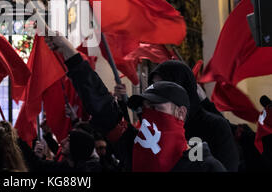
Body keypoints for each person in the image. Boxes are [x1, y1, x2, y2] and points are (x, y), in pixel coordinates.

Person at [44, 32, 226, 172]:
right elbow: (101, 105)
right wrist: (70, 52)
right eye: (146, 107)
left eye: (156, 106)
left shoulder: (204, 165)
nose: (149, 113)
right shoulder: (135, 147)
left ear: (180, 112)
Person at [148, 60, 240, 171]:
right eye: (154, 86)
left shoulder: (214, 126)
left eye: (165, 88)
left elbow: (228, 166)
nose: (157, 95)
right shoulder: (153, 129)